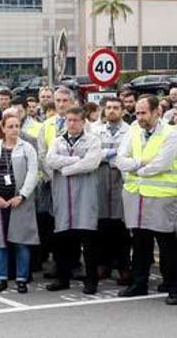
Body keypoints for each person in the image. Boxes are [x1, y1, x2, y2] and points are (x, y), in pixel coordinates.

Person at [114, 95, 177, 305]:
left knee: (167, 245)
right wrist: (141, 163)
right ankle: (139, 284)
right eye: (138, 113)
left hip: (161, 198)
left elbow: (161, 164)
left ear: (156, 112)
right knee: (140, 243)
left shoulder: (171, 134)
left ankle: (173, 286)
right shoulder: (133, 130)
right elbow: (120, 159)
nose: (139, 117)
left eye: (143, 113)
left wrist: (137, 169)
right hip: (136, 196)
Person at [44, 106, 103, 294]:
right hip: (63, 198)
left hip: (85, 198)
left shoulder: (93, 141)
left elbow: (92, 163)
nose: (72, 124)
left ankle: (91, 280)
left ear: (83, 121)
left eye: (76, 120)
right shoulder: (58, 141)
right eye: (68, 120)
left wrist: (67, 169)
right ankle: (63, 278)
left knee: (89, 243)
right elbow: (50, 160)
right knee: (63, 241)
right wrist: (77, 160)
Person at [0, 113, 39, 293]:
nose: (14, 130)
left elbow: (32, 173)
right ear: (3, 129)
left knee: (21, 241)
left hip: (19, 202)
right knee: (0, 242)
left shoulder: (27, 148)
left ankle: (21, 278)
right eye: (10, 126)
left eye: (17, 126)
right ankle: (2, 278)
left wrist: (21, 196)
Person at [91, 98, 131, 285]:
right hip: (100, 180)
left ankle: (123, 266)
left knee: (121, 227)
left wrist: (109, 155)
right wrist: (110, 154)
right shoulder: (95, 130)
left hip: (121, 181)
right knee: (101, 225)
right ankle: (103, 265)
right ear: (104, 110)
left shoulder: (130, 131)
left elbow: (128, 155)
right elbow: (92, 154)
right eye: (108, 108)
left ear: (122, 110)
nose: (112, 111)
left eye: (116, 108)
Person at [35, 87, 74, 275]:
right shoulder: (47, 125)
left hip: (73, 182)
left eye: (65, 100)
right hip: (52, 182)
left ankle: (72, 264)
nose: (61, 104)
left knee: (72, 225)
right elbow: (42, 154)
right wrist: (53, 176)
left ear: (72, 102)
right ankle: (58, 264)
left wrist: (66, 173)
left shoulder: (80, 124)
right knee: (53, 225)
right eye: (58, 100)